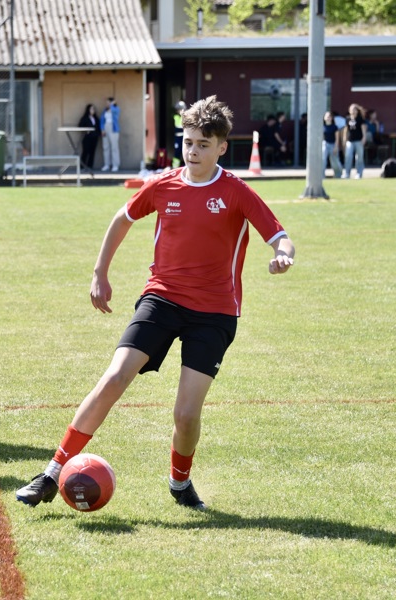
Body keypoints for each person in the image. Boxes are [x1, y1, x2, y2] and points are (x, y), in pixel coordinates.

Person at [15, 96, 295, 510]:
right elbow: (123, 217)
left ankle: (180, 483)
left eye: (203, 144)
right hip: (161, 298)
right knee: (114, 378)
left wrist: (283, 255)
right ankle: (53, 473)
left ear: (221, 147)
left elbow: (278, 234)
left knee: (185, 415)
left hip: (215, 312)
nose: (193, 151)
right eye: (188, 142)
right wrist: (99, 272)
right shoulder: (164, 184)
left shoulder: (236, 191)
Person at [342, 103, 367, 179]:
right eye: (351, 109)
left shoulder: (360, 119)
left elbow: (363, 129)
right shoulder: (347, 119)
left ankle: (359, 173)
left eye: (354, 109)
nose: (353, 111)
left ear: (357, 111)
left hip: (358, 140)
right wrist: (344, 139)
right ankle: (346, 173)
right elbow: (346, 130)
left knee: (359, 157)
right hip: (350, 141)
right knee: (348, 156)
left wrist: (364, 138)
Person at [321, 111, 343, 179]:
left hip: (333, 144)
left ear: (332, 118)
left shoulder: (335, 127)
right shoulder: (322, 127)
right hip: (325, 144)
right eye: (327, 116)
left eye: (329, 116)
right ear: (324, 118)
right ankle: (321, 176)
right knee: (323, 160)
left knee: (335, 161)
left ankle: (338, 175)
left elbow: (337, 138)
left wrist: (336, 147)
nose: (328, 118)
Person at [100, 97, 120, 172]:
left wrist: (112, 104)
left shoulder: (116, 108)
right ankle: (107, 164)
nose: (107, 104)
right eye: (107, 103)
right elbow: (102, 120)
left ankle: (115, 165)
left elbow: (114, 112)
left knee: (114, 147)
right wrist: (102, 129)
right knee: (106, 147)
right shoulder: (104, 110)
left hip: (113, 129)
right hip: (106, 128)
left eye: (108, 102)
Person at [78, 104, 100, 170]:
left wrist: (97, 134)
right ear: (88, 110)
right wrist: (86, 130)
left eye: (94, 109)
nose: (93, 110)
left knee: (92, 153)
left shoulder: (96, 118)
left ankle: (90, 166)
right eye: (91, 109)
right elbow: (80, 126)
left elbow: (98, 127)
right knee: (85, 152)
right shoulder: (85, 118)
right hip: (87, 138)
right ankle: (82, 167)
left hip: (94, 137)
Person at [172, 100, 186, 168]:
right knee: (177, 153)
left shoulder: (186, 117)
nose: (178, 110)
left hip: (184, 138)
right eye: (177, 109)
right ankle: (175, 168)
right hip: (177, 138)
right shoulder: (175, 117)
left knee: (185, 153)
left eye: (179, 109)